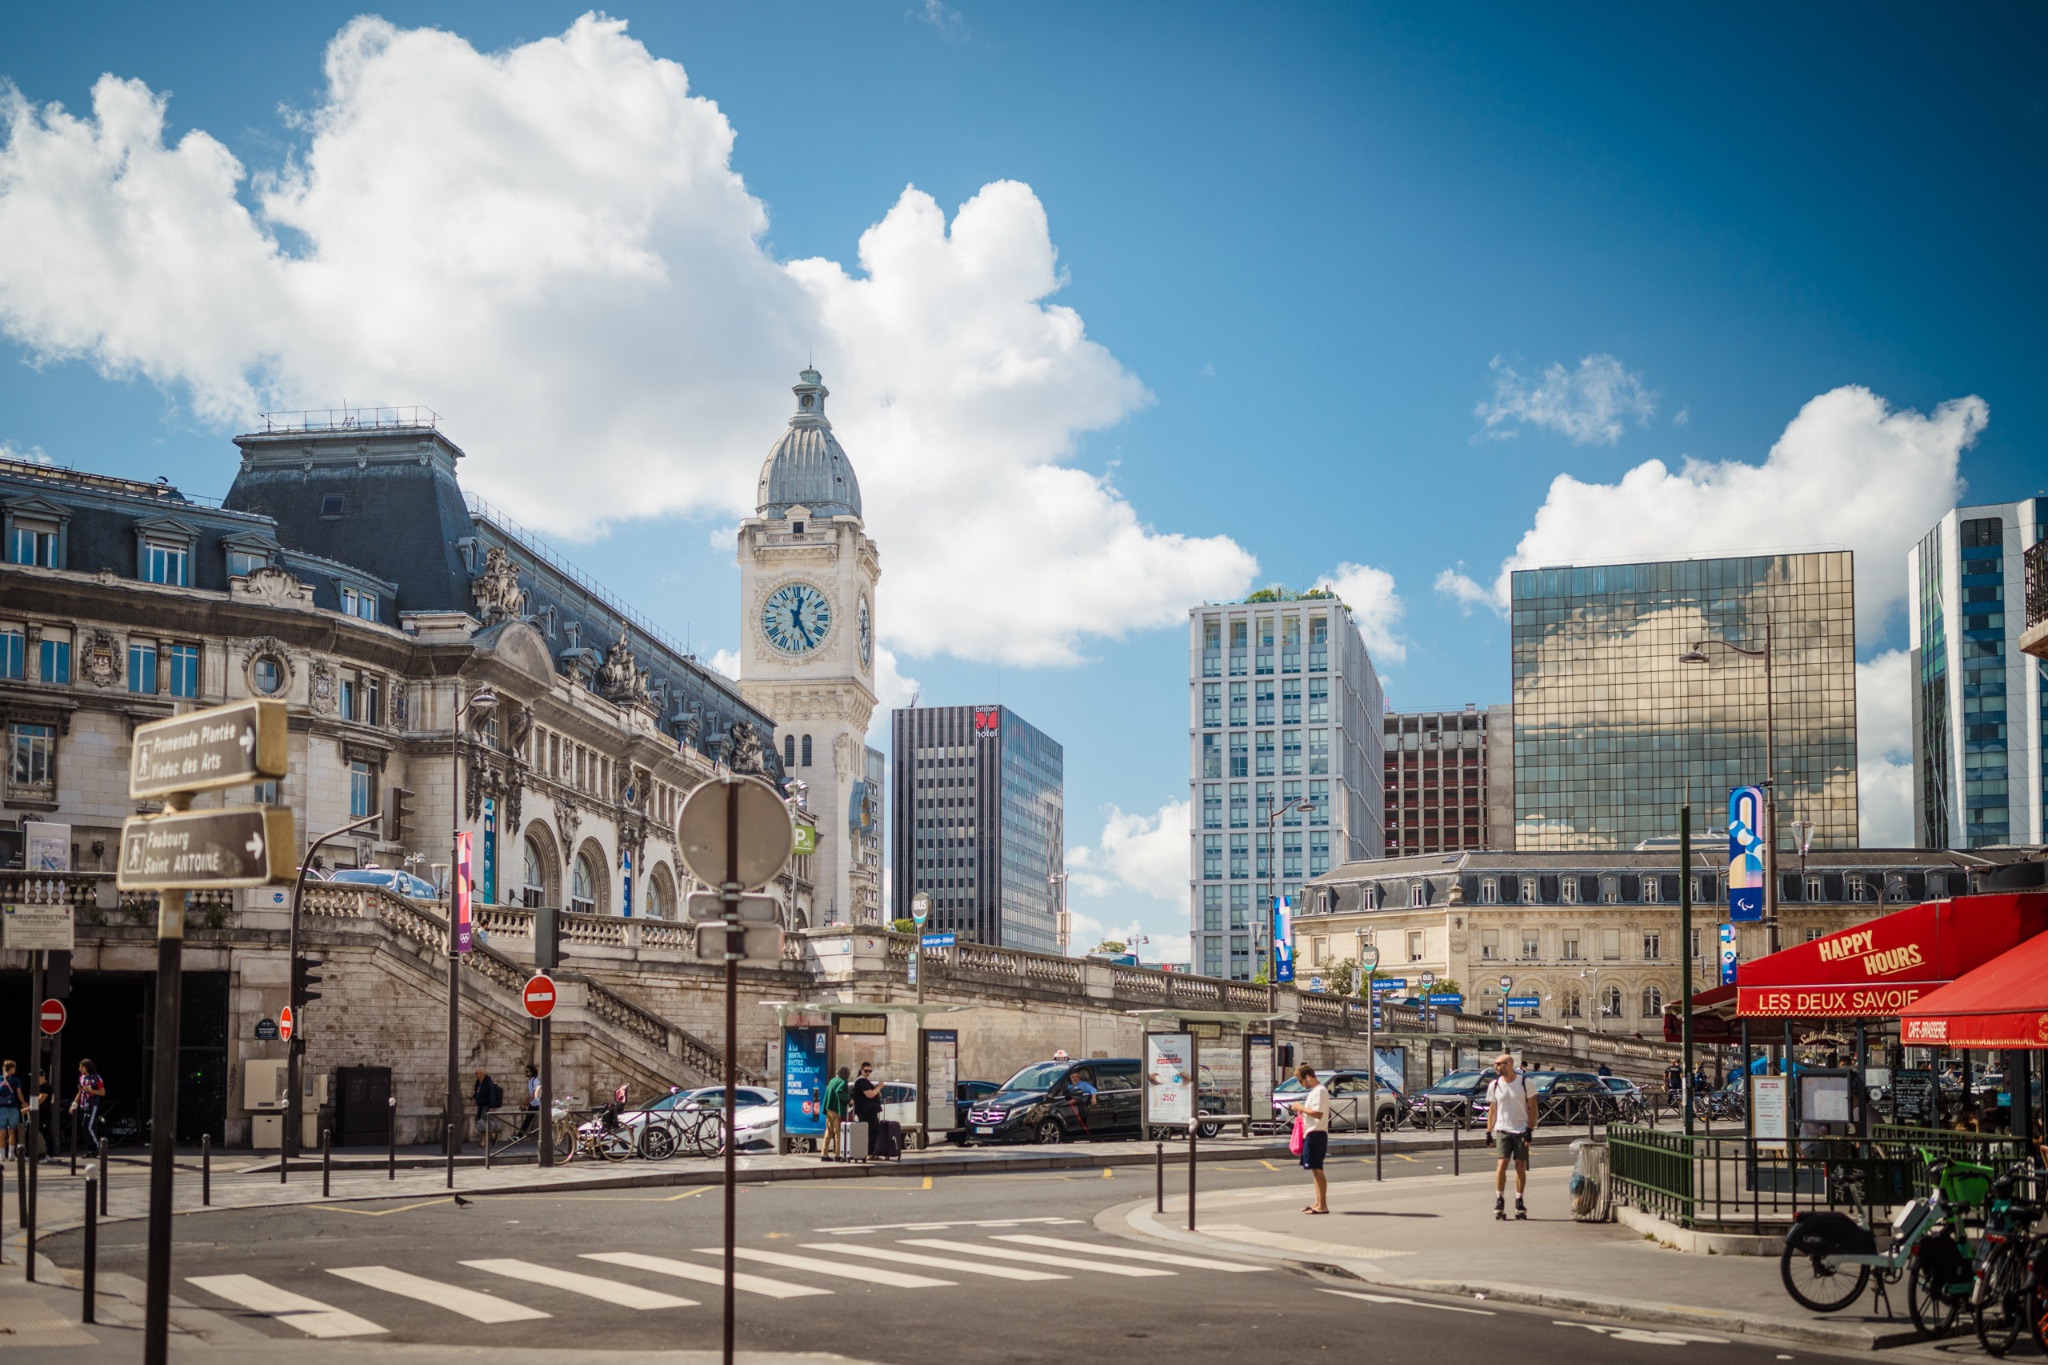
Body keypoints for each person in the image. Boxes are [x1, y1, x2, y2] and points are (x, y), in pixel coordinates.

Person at [1485, 1052, 1537, 1221]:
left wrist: (1530, 1129)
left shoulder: (1525, 1083)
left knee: (1520, 1165)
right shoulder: (1494, 1085)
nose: (1495, 1066)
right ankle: (1499, 1199)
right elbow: (1492, 1109)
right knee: (1502, 1164)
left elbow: (1533, 1108)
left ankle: (1519, 1199)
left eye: (1498, 1064)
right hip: (1502, 1129)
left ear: (1508, 1065)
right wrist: (1488, 1131)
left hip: (1521, 1129)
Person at [1287, 1064, 1330, 1214]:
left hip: (1316, 1133)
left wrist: (1300, 1108)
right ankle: (1318, 1202)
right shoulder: (1315, 1091)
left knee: (1317, 1169)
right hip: (1312, 1133)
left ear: (1308, 1077)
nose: (1301, 1084)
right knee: (1314, 1169)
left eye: (1301, 1081)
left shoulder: (1319, 1091)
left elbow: (1318, 1113)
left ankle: (1323, 1205)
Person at [72, 1059, 106, 1153]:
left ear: (86, 1067)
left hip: (92, 1105)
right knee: (84, 1127)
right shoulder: (81, 1077)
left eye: (81, 1067)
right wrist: (74, 1103)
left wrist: (89, 1091)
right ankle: (91, 1149)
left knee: (88, 1126)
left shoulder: (96, 1077)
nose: (79, 1069)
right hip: (83, 1105)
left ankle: (96, 1147)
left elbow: (102, 1092)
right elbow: (80, 1091)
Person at [850, 1062, 884, 1157]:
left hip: (868, 1111)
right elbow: (870, 1094)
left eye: (870, 1071)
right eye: (866, 1071)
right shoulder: (861, 1081)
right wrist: (879, 1087)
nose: (868, 1073)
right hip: (867, 1111)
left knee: (871, 1131)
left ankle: (869, 1152)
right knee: (873, 1131)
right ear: (861, 1070)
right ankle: (869, 1152)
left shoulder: (864, 1081)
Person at [822, 1066, 850, 1160]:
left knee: (828, 1132)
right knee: (838, 1133)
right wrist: (849, 1099)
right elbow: (839, 1091)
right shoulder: (843, 1082)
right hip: (837, 1110)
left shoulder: (832, 1080)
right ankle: (838, 1155)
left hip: (828, 1109)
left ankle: (824, 1154)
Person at [472, 1067, 503, 1143]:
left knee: (482, 1122)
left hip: (486, 1106)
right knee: (479, 1121)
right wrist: (474, 1097)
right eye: (476, 1073)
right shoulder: (478, 1082)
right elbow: (477, 1092)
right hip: (480, 1105)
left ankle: (483, 1141)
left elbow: (492, 1095)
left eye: (477, 1073)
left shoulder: (488, 1082)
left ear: (482, 1074)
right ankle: (492, 1136)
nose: (476, 1075)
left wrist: (492, 1107)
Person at [0, 1061, 22, 1159]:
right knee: (12, 1131)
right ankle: (11, 1154)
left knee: (1, 1132)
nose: (15, 1069)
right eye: (14, 1067)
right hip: (13, 1108)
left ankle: (1, 1155)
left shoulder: (0, 1079)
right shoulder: (15, 1080)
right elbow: (19, 1093)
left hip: (1, 1108)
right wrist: (24, 1102)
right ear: (11, 1068)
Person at [518, 1063, 539, 1137]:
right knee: (527, 1120)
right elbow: (530, 1094)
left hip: (538, 1104)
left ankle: (519, 1135)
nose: (526, 1073)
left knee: (543, 1121)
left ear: (532, 1072)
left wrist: (525, 1104)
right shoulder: (530, 1081)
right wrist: (525, 1103)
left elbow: (534, 1095)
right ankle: (519, 1136)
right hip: (533, 1104)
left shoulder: (535, 1081)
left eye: (527, 1071)